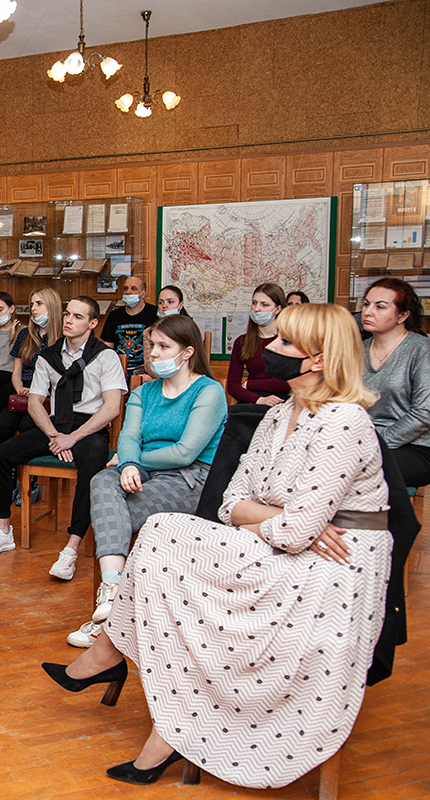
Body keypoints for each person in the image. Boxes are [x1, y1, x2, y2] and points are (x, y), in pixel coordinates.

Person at [42, 303, 392, 790]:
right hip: (283, 544)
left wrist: (280, 520)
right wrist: (281, 518)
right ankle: (143, 694)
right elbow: (230, 503)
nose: (270, 348)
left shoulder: (343, 422)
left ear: (316, 359)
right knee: (163, 533)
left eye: (286, 343)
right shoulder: (278, 416)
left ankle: (117, 663)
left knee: (167, 544)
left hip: (331, 564)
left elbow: (294, 533)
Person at [64, 315, 226, 648]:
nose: (153, 354)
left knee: (113, 516)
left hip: (190, 477)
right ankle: (111, 593)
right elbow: (129, 434)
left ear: (187, 352)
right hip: (140, 469)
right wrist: (127, 462)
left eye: (164, 347)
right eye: (152, 346)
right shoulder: (145, 391)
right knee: (101, 483)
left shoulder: (209, 391)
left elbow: (185, 452)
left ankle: (111, 619)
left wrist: (130, 462)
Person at [0, 297, 127, 564]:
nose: (69, 320)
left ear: (93, 323)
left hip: (89, 428)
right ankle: (3, 530)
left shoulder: (106, 356)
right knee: (0, 456)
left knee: (92, 465)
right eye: (68, 314)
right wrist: (55, 436)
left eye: (78, 317)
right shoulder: (48, 356)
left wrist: (73, 438)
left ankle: (73, 543)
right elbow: (35, 402)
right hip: (55, 426)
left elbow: (112, 407)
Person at [360, 277, 430, 488]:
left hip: (414, 447)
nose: (368, 312)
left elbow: (424, 413)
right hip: (362, 442)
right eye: (366, 304)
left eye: (380, 307)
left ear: (403, 315)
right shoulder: (358, 349)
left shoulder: (421, 349)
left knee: (353, 472)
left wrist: (377, 443)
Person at [0, 288, 63, 445]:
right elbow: (16, 372)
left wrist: (37, 392)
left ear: (52, 306)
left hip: (49, 392)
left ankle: (26, 465)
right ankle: (8, 465)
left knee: (27, 425)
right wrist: (19, 389)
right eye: (32, 304)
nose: (33, 308)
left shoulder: (63, 337)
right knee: (4, 424)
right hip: (23, 390)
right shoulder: (24, 334)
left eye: (39, 304)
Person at [227, 282, 289, 405]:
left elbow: (292, 382)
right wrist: (259, 400)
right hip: (253, 401)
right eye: (254, 303)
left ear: (278, 309)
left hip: (282, 402)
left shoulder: (290, 340)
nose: (257, 308)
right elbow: (232, 385)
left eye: (264, 305)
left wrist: (251, 384)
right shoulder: (242, 342)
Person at [100, 274, 157, 374]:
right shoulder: (114, 315)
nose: (128, 292)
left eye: (133, 289)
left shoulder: (154, 314)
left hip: (146, 371)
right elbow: (108, 346)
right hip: (119, 370)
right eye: (125, 288)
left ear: (143, 294)